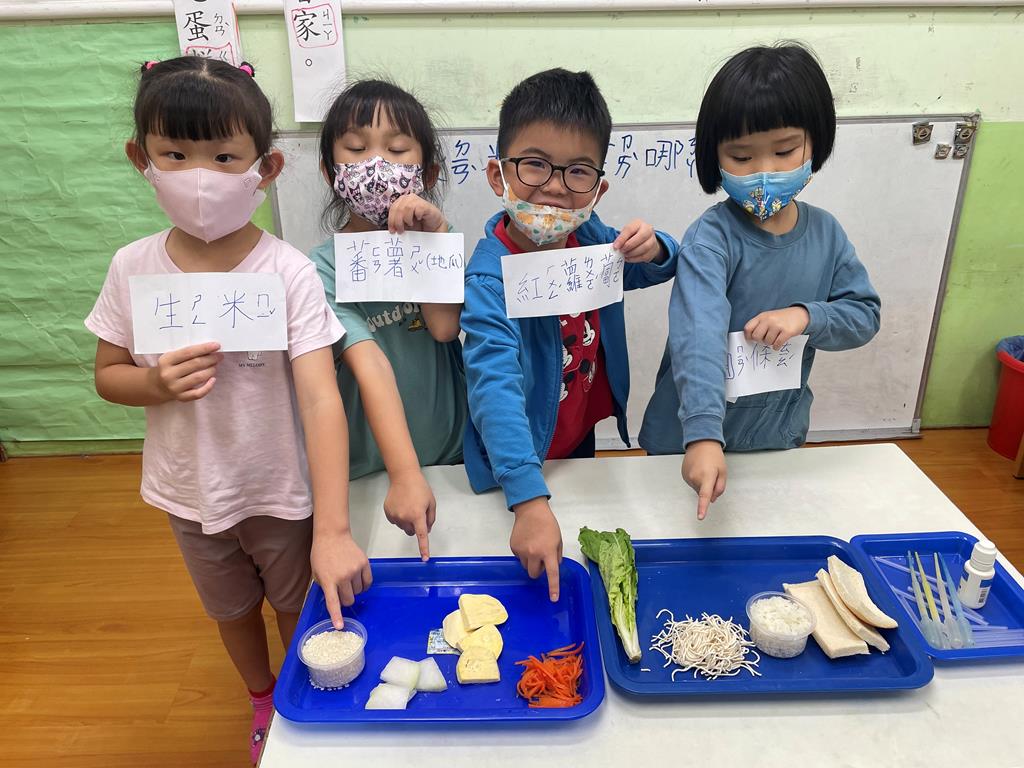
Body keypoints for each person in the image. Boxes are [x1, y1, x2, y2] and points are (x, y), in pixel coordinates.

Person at [84, 57, 370, 764]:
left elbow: (321, 396)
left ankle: (303, 692)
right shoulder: (132, 266)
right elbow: (109, 376)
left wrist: (334, 528)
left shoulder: (287, 271)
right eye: (174, 155)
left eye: (223, 156)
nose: (199, 177)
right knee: (230, 608)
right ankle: (261, 698)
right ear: (141, 159)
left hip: (278, 488)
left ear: (265, 167)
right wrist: (154, 384)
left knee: (294, 604)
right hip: (188, 488)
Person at [461, 68, 678, 601]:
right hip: (516, 455)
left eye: (577, 171)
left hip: (576, 431)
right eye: (535, 164)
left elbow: (655, 266)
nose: (556, 186)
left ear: (597, 189)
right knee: (519, 570)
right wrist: (527, 500)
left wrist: (656, 247)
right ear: (498, 175)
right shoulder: (489, 276)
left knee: (581, 537)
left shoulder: (592, 239)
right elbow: (493, 385)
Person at [639, 44, 881, 520]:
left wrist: (807, 316)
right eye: (742, 156)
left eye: (785, 151)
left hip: (775, 436)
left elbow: (864, 315)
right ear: (714, 157)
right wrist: (703, 435)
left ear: (815, 143)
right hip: (688, 441)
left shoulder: (827, 233)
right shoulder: (711, 237)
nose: (765, 171)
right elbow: (698, 335)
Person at [308, 80, 467, 561]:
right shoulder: (321, 268)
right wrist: (404, 473)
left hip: (450, 452)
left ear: (427, 171)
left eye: (397, 151)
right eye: (357, 150)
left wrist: (435, 237)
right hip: (372, 468)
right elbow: (368, 363)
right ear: (330, 170)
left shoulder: (439, 242)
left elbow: (444, 328)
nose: (376, 166)